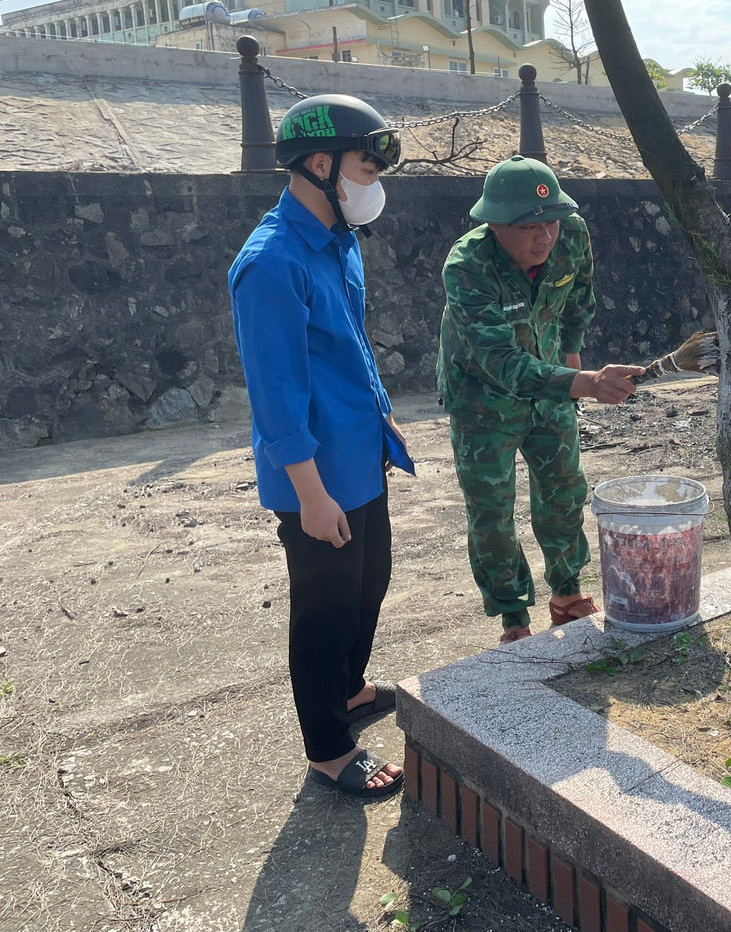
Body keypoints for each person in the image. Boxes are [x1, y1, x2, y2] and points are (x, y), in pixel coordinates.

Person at [228, 93, 412, 800]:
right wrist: (309, 492)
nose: (374, 181)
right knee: (325, 607)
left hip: (359, 455)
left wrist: (383, 416)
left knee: (370, 582)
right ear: (318, 162)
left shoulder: (336, 241)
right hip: (317, 475)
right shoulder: (271, 262)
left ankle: (350, 687)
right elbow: (276, 392)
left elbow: (350, 349)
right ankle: (329, 748)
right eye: (367, 165)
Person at [438, 155, 644, 644]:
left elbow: (579, 301)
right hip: (482, 398)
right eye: (529, 226)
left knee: (565, 490)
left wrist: (573, 360)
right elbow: (503, 363)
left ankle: (567, 591)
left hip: (553, 381)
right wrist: (588, 383)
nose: (545, 236)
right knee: (491, 510)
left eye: (551, 220)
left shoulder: (572, 234)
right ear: (494, 224)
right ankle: (512, 615)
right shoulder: (468, 268)